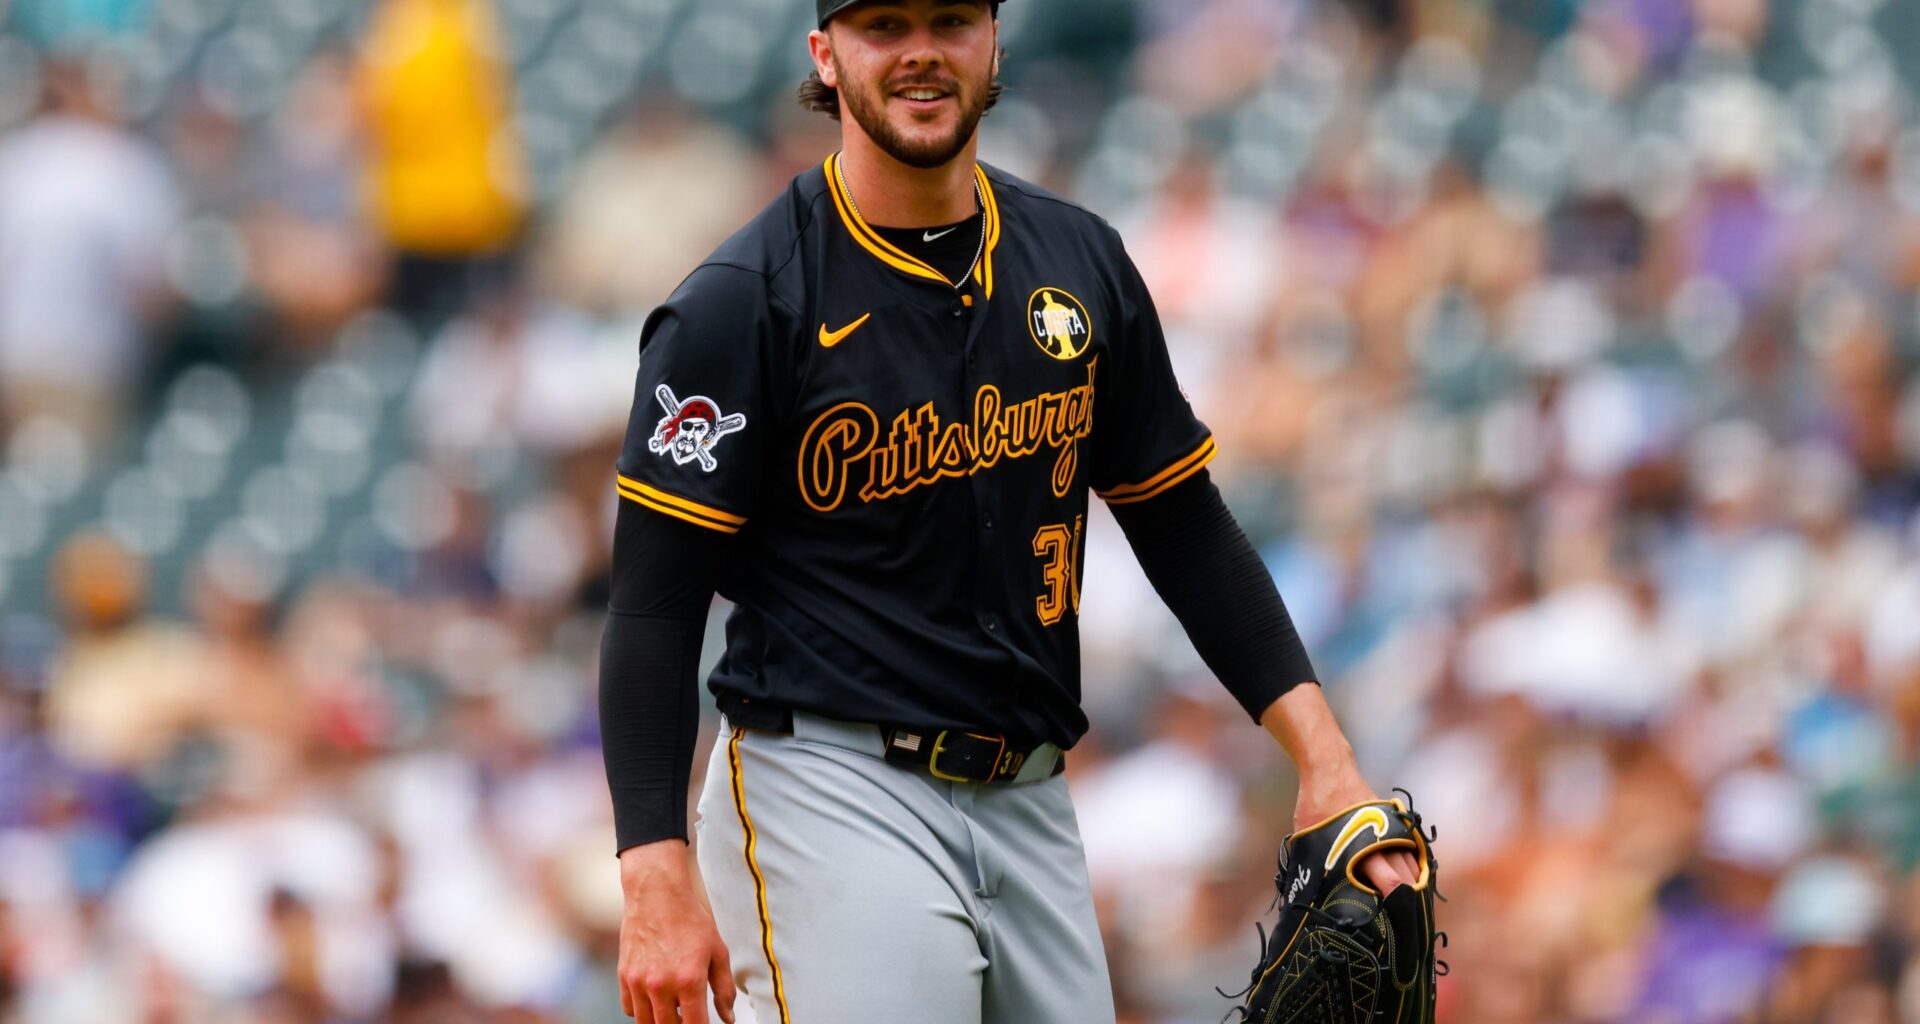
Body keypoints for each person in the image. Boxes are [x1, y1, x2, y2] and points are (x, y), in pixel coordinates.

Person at [598, 2, 1418, 1021]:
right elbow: (651, 607)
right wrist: (654, 867)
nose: (920, 53)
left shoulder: (1078, 260)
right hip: (833, 783)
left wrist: (1326, 762)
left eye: (949, 18)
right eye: (882, 25)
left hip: (1031, 792)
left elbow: (1182, 523)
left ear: (993, 40)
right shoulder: (740, 302)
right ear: (824, 54)